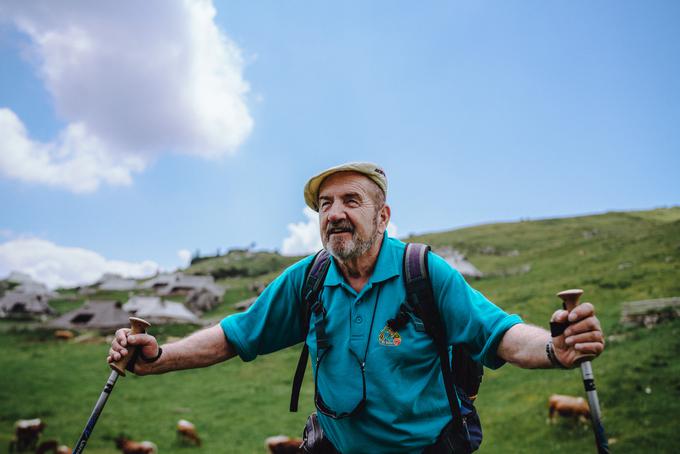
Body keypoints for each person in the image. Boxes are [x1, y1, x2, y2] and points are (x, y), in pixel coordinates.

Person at [108, 162, 605, 453]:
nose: (335, 213)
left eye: (351, 200)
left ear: (382, 215)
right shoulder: (308, 279)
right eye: (325, 204)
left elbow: (499, 334)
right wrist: (158, 357)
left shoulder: (423, 273)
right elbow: (235, 334)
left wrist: (555, 347)